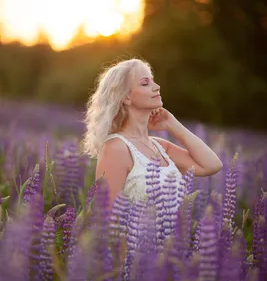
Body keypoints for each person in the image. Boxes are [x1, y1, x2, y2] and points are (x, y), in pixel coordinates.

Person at [81, 58, 223, 208]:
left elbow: (212, 165)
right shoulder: (116, 148)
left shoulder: (160, 147)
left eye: (153, 81)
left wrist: (173, 125)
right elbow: (107, 217)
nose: (157, 87)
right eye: (145, 83)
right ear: (126, 97)